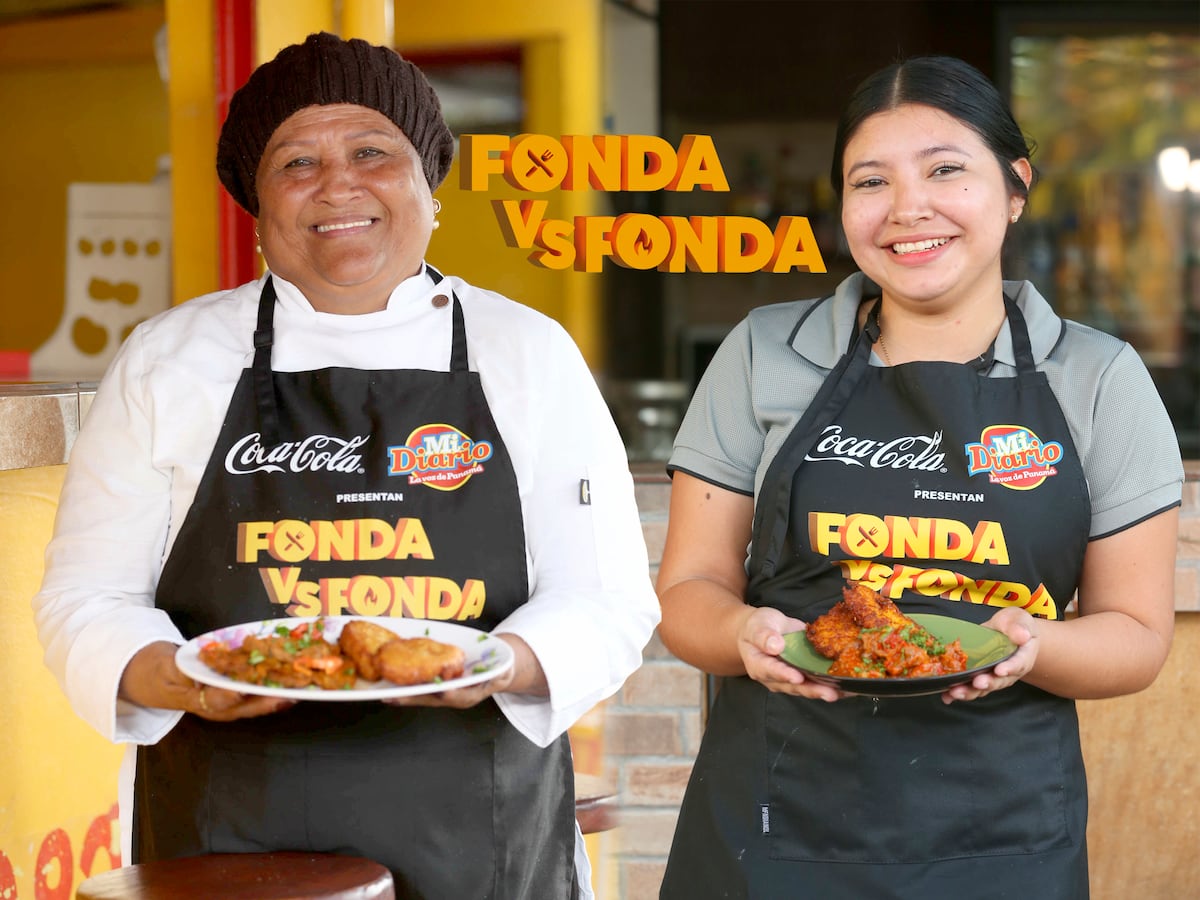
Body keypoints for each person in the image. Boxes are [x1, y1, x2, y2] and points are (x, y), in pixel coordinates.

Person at [33, 32, 659, 900]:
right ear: (256, 201)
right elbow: (85, 599)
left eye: (372, 151)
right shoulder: (168, 359)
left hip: (479, 834)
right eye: (297, 162)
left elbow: (608, 599)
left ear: (428, 186)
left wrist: (499, 663)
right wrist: (180, 678)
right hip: (223, 835)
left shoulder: (528, 354)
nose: (337, 186)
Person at [656, 56, 1182, 898]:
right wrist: (740, 638)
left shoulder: (1097, 377)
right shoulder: (763, 352)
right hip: (776, 820)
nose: (908, 209)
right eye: (871, 182)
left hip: (999, 833)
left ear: (1015, 189)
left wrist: (1037, 645)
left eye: (946, 170)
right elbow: (688, 588)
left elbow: (1137, 635)